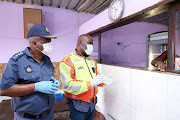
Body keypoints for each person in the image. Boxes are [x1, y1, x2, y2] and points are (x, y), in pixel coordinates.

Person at [0, 24, 60, 120]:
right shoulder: (17, 61)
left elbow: (46, 80)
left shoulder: (47, 60)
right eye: (46, 41)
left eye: (50, 41)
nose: (50, 44)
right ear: (34, 43)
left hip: (48, 115)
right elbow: (4, 90)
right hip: (27, 117)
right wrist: (36, 87)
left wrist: (53, 84)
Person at [59, 34, 112, 120]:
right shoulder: (67, 61)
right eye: (89, 44)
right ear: (80, 43)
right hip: (78, 104)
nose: (91, 47)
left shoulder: (91, 60)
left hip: (92, 103)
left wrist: (104, 81)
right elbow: (68, 86)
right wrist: (90, 84)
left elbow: (97, 77)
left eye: (92, 44)